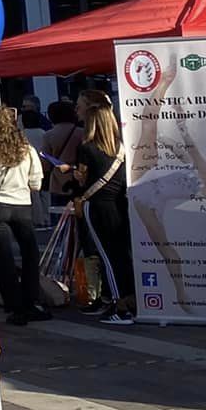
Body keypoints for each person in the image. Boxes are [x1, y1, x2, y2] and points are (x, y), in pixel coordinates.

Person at [0, 105, 49, 326]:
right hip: (22, 205)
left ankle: (14, 304)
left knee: (3, 258)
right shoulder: (26, 149)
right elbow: (36, 182)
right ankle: (32, 300)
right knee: (30, 253)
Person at [69, 94, 133, 325]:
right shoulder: (121, 147)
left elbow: (82, 179)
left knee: (107, 256)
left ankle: (120, 304)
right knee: (122, 254)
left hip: (96, 206)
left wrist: (75, 175)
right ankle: (129, 298)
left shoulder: (87, 148)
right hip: (118, 204)